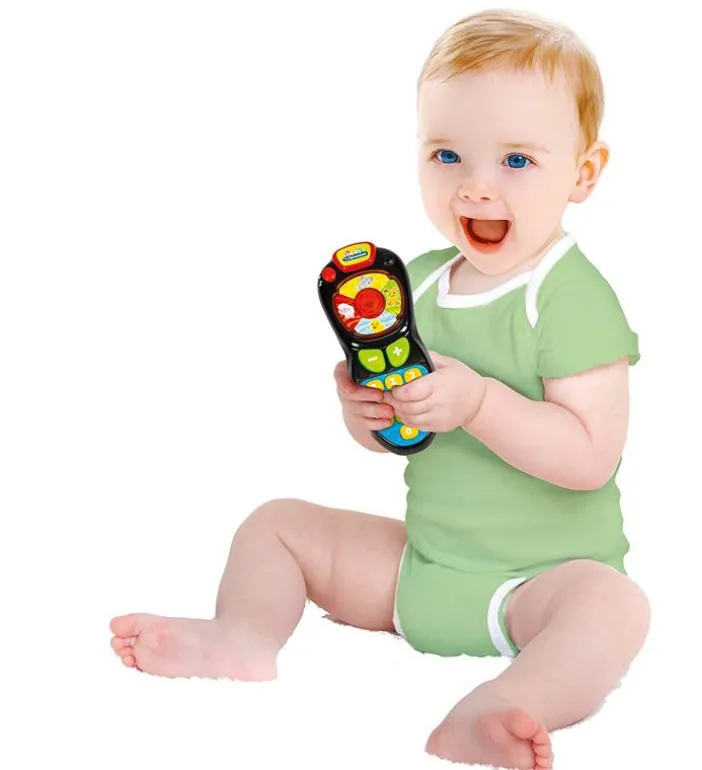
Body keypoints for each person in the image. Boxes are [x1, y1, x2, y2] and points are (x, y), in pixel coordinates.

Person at [110, 9, 650, 769]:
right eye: (447, 154)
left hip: (541, 586)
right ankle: (242, 637)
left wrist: (480, 403)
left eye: (516, 160)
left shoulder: (570, 297)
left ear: (584, 173)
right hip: (420, 570)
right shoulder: (413, 285)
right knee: (275, 523)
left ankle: (503, 704)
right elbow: (400, 439)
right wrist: (363, 412)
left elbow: (591, 458)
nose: (476, 187)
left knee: (614, 607)